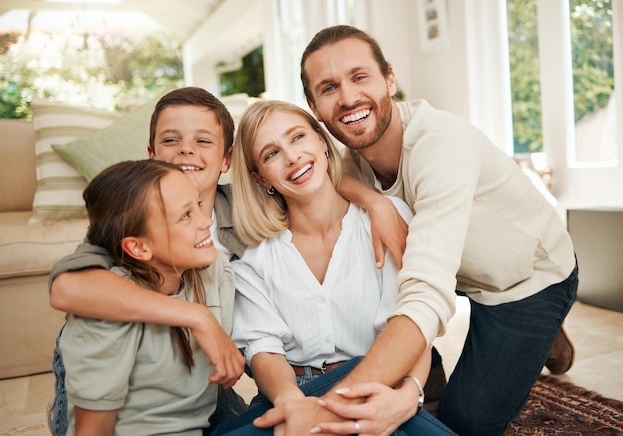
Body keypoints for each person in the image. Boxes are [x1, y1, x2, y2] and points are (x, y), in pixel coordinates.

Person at [253, 25, 579, 436]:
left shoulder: (441, 146)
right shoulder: (341, 152)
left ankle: (548, 333)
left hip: (526, 278)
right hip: (450, 267)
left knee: (467, 422)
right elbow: (318, 172)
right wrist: (376, 200)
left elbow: (426, 292)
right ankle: (434, 364)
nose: (349, 97)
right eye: (329, 87)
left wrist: (329, 412)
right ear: (314, 106)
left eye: (359, 77)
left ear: (389, 79)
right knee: (416, 301)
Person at [47, 87, 411, 432]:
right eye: (171, 140)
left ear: (227, 160)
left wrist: (375, 201)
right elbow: (67, 289)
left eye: (202, 141)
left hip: (199, 375)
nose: (187, 151)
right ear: (151, 154)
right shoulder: (133, 219)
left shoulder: (244, 207)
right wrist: (199, 318)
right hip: (118, 365)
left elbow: (306, 183)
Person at [210, 100, 454, 436]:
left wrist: (409, 392)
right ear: (259, 177)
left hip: (377, 384)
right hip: (290, 394)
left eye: (297, 137)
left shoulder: (387, 219)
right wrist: (292, 403)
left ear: (322, 142)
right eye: (271, 154)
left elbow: (413, 322)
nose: (292, 156)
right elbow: (263, 350)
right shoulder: (255, 257)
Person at [58, 159, 234, 434]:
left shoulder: (214, 271)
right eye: (185, 216)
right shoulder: (108, 309)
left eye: (198, 205)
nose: (206, 221)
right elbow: (93, 431)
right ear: (138, 247)